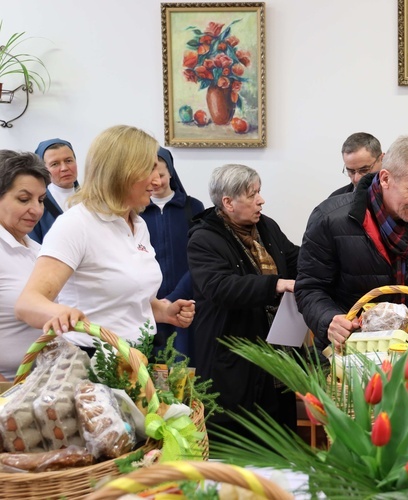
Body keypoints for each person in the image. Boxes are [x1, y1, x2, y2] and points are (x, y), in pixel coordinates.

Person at [15, 125, 195, 350]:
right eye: (149, 169)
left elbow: (127, 301)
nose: (157, 181)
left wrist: (165, 311)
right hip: (92, 362)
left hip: (136, 356)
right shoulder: (76, 224)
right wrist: (60, 313)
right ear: (121, 172)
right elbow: (28, 304)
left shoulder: (137, 225)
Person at [296, 135, 408, 351]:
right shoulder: (329, 218)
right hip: (349, 351)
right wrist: (329, 319)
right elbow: (310, 288)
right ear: (385, 179)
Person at [187, 164, 299, 438]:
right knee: (241, 445)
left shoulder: (266, 226)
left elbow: (294, 258)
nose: (261, 200)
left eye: (259, 192)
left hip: (276, 353)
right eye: (252, 194)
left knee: (283, 438)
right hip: (233, 361)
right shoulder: (203, 239)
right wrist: (276, 284)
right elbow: (221, 287)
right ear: (228, 203)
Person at [141, 147, 204, 358]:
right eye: (151, 176)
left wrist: (176, 296)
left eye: (161, 174)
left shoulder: (193, 208)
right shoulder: (136, 212)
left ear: (171, 173)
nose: (157, 181)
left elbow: (200, 260)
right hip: (147, 306)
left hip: (185, 305)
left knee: (184, 369)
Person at [0, 151, 50, 380]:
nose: (36, 210)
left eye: (40, 200)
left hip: (38, 383)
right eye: (24, 199)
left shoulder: (38, 250)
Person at [30, 138, 80, 243]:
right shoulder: (37, 204)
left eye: (68, 161)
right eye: (55, 164)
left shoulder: (92, 198)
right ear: (43, 169)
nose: (64, 168)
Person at [329, 132, 383, 197]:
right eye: (351, 171)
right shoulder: (335, 200)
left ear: (382, 159)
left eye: (364, 170)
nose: (356, 179)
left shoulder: (397, 197)